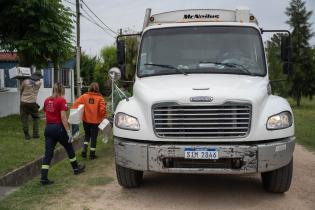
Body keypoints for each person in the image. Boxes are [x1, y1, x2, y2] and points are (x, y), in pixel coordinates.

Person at [41, 83, 85, 186]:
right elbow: (63, 117)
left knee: (48, 153)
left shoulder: (47, 100)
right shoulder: (61, 100)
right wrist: (69, 132)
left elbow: (45, 113)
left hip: (48, 128)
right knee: (69, 147)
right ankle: (76, 168)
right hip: (59, 128)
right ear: (62, 90)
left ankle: (43, 177)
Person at [72, 82, 106, 159]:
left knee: (87, 135)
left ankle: (84, 149)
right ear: (98, 89)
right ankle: (92, 154)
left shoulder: (84, 96)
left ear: (89, 88)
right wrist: (103, 117)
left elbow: (75, 105)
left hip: (86, 121)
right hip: (95, 122)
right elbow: (102, 110)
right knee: (94, 137)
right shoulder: (100, 98)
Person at [20, 71, 42, 140]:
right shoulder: (39, 83)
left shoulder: (25, 82)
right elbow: (35, 82)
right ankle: (35, 134)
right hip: (32, 103)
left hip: (23, 102)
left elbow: (21, 90)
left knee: (24, 118)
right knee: (35, 117)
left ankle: (26, 134)